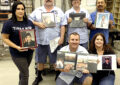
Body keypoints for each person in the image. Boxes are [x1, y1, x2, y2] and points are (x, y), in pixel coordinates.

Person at [29, 0, 66, 85]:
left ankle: (57, 76)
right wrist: (37, 23)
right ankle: (39, 77)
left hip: (55, 41)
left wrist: (62, 37)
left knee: (56, 61)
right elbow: (29, 20)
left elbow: (63, 25)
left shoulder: (59, 11)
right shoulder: (37, 11)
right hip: (41, 40)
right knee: (40, 61)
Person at [1, 1, 35, 85]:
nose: (21, 11)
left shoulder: (29, 22)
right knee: (25, 75)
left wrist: (33, 44)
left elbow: (32, 36)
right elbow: (4, 38)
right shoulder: (8, 23)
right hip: (17, 53)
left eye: (22, 9)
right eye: (18, 9)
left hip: (29, 52)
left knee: (23, 71)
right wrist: (17, 47)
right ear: (14, 10)